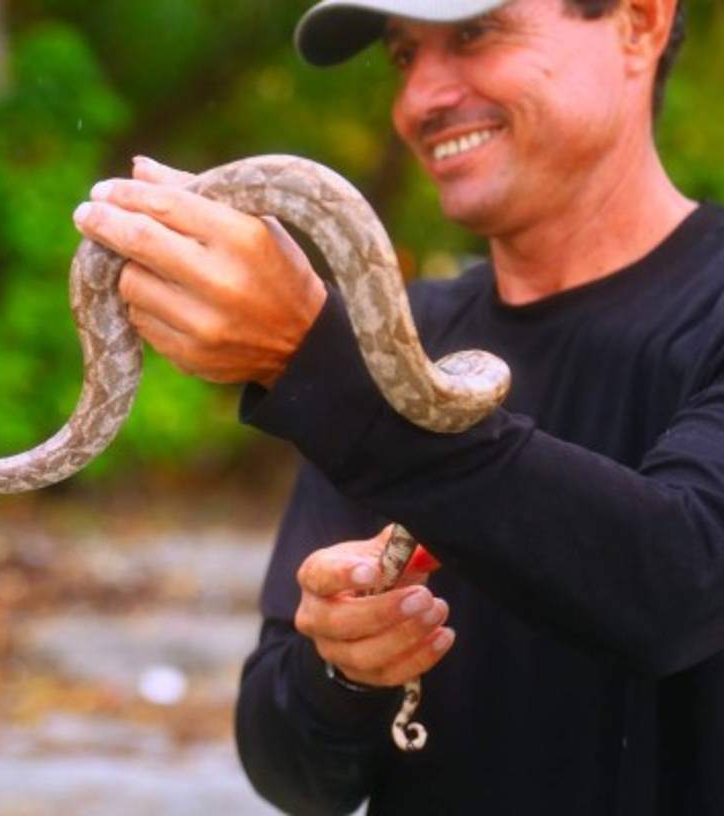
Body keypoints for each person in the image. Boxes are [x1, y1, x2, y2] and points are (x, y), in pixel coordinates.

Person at [72, 0, 721, 813]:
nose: (421, 99)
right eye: (403, 57)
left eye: (477, 34)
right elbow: (290, 773)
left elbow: (679, 586)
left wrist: (312, 362)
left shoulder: (347, 364)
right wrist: (343, 672)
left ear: (639, 23)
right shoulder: (407, 327)